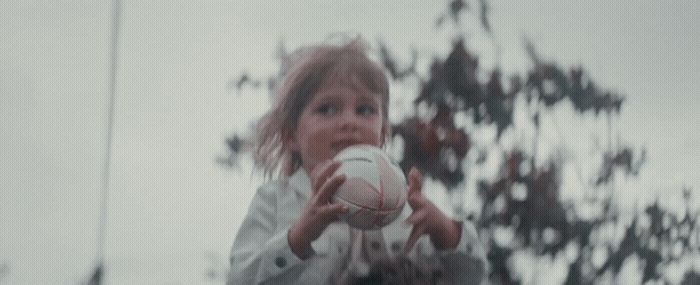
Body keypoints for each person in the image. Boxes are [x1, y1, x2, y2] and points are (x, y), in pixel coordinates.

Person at [227, 37, 487, 284]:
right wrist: (298, 238)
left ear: (382, 133)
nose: (349, 122)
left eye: (364, 110)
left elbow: (472, 277)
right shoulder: (275, 201)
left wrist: (446, 232)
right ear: (291, 136)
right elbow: (239, 279)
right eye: (327, 109)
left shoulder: (406, 205)